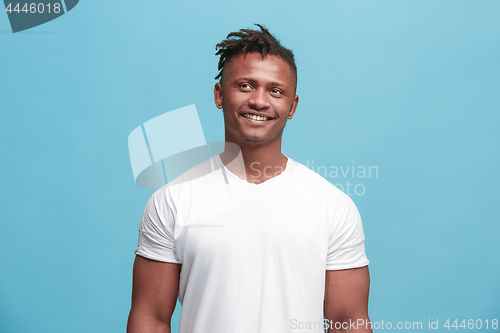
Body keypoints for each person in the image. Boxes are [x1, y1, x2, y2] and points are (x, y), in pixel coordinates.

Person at [127, 24, 372, 333]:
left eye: (275, 90)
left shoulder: (333, 206)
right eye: (245, 85)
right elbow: (150, 318)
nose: (259, 101)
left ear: (292, 106)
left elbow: (348, 322)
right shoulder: (172, 200)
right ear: (219, 94)